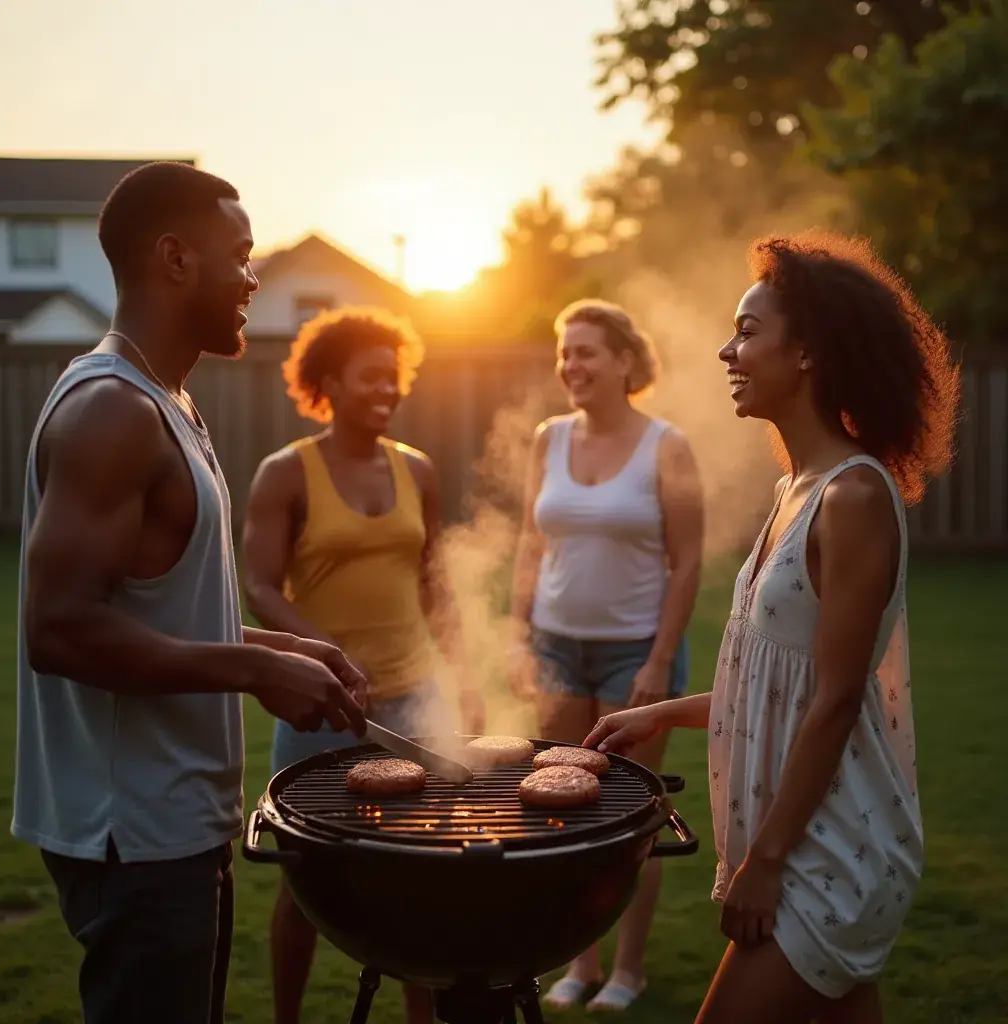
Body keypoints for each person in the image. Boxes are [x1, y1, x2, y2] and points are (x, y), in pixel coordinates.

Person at [13, 161, 368, 1024]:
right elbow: (59, 631)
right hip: (131, 833)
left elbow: (160, 612)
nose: (254, 277)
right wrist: (252, 676)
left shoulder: (168, 398)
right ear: (174, 258)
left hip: (176, 820)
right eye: (241, 255)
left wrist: (283, 649)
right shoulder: (112, 411)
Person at [585, 232, 960, 1024]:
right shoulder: (798, 487)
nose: (728, 350)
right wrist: (664, 712)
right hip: (809, 845)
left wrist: (765, 863)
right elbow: (776, 682)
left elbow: (833, 703)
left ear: (809, 354)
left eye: (748, 331)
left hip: (827, 854)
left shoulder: (852, 499)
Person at [242, 305, 484, 1024]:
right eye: (370, 377)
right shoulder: (287, 472)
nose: (388, 389)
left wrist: (463, 675)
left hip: (414, 695)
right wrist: (325, 656)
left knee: (420, 874)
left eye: (396, 376)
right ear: (328, 382)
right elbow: (258, 584)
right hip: (321, 703)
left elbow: (433, 582)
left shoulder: (418, 469)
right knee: (304, 880)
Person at [508, 298, 704, 1011]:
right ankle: (580, 964)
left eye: (587, 350)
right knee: (558, 814)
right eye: (565, 352)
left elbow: (687, 564)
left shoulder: (666, 446)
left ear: (626, 361)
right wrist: (516, 631)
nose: (572, 364)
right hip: (557, 648)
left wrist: (658, 661)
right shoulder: (547, 439)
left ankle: (628, 970)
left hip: (634, 655)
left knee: (626, 815)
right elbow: (532, 544)